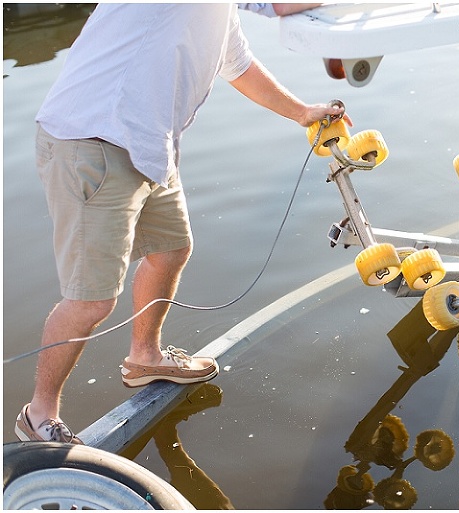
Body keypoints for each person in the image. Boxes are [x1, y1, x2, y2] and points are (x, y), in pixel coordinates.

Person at [15, 3, 351, 444]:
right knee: (90, 301)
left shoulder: (219, 12)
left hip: (148, 146)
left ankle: (144, 356)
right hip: (92, 140)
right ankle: (38, 416)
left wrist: (302, 112)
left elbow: (240, 65)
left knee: (171, 250)